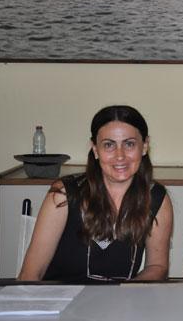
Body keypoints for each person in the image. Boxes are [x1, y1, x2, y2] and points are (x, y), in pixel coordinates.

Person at [18, 105, 173, 282]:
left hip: (122, 299)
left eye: (129, 144)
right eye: (109, 145)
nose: (120, 155)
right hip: (59, 297)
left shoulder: (156, 198)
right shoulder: (64, 194)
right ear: (95, 150)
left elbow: (157, 267)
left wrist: (127, 292)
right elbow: (31, 274)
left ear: (144, 146)